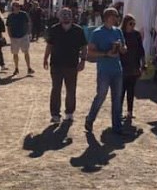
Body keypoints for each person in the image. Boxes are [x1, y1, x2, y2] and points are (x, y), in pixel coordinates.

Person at [84, 7, 128, 136]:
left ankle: (117, 126)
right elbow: (90, 51)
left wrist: (121, 47)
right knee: (101, 96)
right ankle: (90, 119)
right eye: (115, 16)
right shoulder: (97, 33)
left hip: (117, 69)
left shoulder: (118, 31)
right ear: (108, 17)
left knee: (117, 98)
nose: (117, 18)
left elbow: (125, 49)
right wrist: (105, 53)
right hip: (104, 70)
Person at [44, 7, 88, 123]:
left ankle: (69, 112)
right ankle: (55, 114)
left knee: (71, 90)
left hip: (72, 65)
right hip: (56, 64)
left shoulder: (78, 30)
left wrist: (83, 60)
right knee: (56, 90)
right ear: (59, 16)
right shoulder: (54, 29)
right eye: (63, 14)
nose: (66, 16)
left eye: (68, 14)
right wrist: (45, 58)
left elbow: (84, 46)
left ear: (72, 16)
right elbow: (49, 45)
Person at [120, 14, 146, 122]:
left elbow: (141, 50)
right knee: (121, 90)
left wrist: (143, 64)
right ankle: (118, 111)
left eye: (134, 24)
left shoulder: (136, 35)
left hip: (134, 65)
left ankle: (130, 112)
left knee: (131, 90)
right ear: (125, 23)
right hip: (122, 66)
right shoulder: (120, 34)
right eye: (131, 23)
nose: (132, 26)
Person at [6, 1, 34, 76]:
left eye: (18, 6)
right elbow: (8, 26)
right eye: (16, 6)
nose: (17, 7)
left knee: (26, 52)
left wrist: (29, 32)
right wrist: (10, 35)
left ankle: (29, 67)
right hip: (14, 37)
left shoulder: (24, 14)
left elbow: (28, 23)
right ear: (13, 7)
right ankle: (16, 68)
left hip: (24, 35)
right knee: (15, 53)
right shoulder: (10, 16)